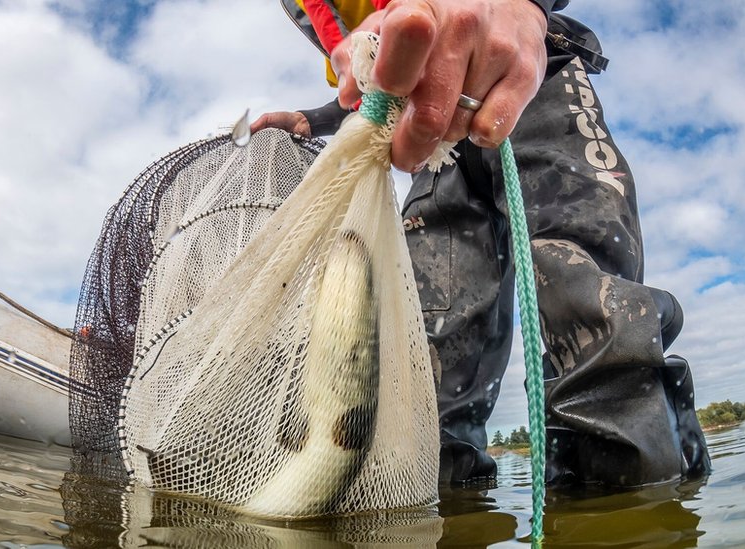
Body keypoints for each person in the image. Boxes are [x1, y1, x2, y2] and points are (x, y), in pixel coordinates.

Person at [253, 0, 711, 487]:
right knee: (429, 359)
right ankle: (446, 516)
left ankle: (637, 512)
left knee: (585, 300)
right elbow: (374, 84)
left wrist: (525, 9)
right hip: (437, 147)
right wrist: (313, 119)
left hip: (531, 85)